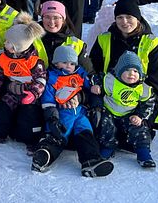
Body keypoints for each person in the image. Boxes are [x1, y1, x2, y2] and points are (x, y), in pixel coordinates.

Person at [32, 45, 113, 177]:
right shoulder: (53, 77)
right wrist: (52, 117)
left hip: (80, 113)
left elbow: (89, 86)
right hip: (63, 112)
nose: (69, 66)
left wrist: (94, 87)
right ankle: (44, 154)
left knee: (86, 133)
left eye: (72, 63)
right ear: (56, 63)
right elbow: (48, 101)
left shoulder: (80, 74)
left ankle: (91, 161)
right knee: (59, 134)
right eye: (64, 62)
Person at [89, 0, 158, 132]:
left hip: (139, 109)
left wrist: (146, 118)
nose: (124, 22)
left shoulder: (152, 44)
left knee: (133, 141)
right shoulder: (104, 39)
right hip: (109, 105)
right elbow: (93, 72)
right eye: (119, 17)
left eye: (129, 17)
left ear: (138, 18)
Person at [0, 13, 45, 147]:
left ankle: (33, 141)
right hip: (12, 92)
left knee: (30, 116)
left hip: (28, 94)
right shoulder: (4, 58)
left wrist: (34, 93)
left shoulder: (34, 62)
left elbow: (41, 80)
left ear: (18, 47)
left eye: (8, 43)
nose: (5, 44)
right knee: (2, 109)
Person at [96, 51, 157, 168]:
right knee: (105, 125)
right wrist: (97, 86)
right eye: (127, 70)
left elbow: (149, 103)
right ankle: (108, 147)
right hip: (110, 112)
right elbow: (97, 78)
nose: (131, 74)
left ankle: (144, 153)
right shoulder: (111, 81)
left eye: (135, 71)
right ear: (119, 72)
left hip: (130, 114)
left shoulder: (142, 88)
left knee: (140, 129)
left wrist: (140, 116)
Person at [32, 0, 91, 70]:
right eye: (47, 17)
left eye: (56, 18)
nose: (51, 22)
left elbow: (89, 72)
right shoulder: (30, 39)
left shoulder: (76, 44)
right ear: (42, 18)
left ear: (63, 20)